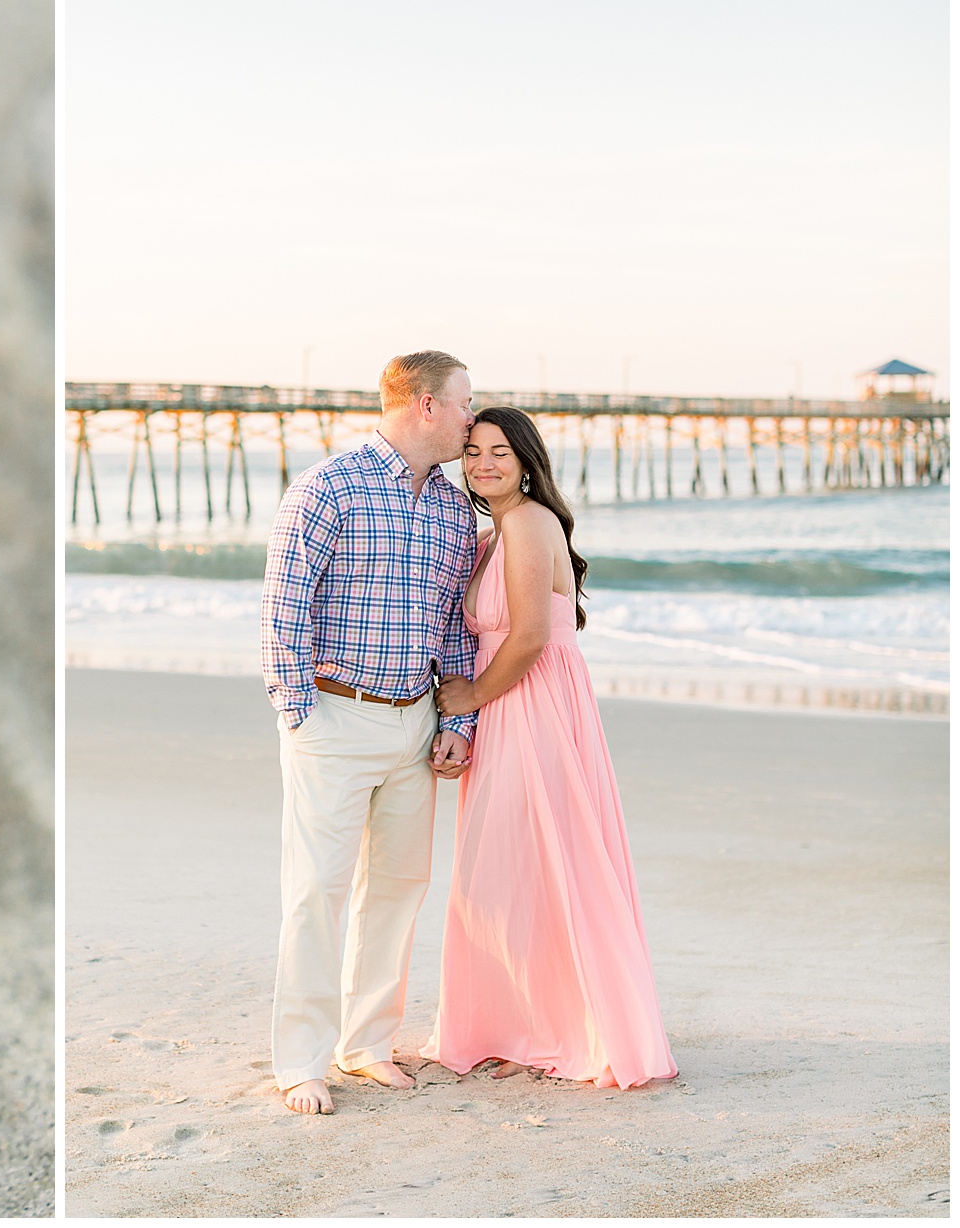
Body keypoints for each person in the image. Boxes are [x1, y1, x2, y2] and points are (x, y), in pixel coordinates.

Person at [422, 406, 677, 1089]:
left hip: (533, 703)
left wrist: (470, 699)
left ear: (528, 461)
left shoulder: (530, 523)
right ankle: (519, 1024)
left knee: (540, 862)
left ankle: (556, 1029)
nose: (484, 464)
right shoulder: (492, 533)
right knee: (511, 868)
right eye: (473, 451)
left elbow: (531, 635)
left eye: (500, 452)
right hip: (510, 701)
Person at [260, 350, 479, 1116]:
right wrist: (298, 711)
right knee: (316, 892)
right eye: (464, 403)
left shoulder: (455, 512)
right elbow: (284, 606)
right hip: (334, 715)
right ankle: (301, 1062)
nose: (472, 418)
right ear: (426, 405)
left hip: (415, 722)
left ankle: (367, 1044)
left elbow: (454, 629)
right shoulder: (329, 487)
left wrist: (457, 721)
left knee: (397, 888)